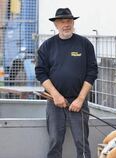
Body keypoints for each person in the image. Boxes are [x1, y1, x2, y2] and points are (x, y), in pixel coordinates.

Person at [35, 8, 98, 158]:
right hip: (54, 102)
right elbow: (40, 73)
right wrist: (56, 96)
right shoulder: (47, 46)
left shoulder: (84, 44)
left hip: (78, 102)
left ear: (73, 22)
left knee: (81, 143)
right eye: (62, 22)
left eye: (69, 21)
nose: (66, 24)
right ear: (56, 24)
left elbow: (92, 72)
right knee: (55, 141)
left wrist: (80, 99)